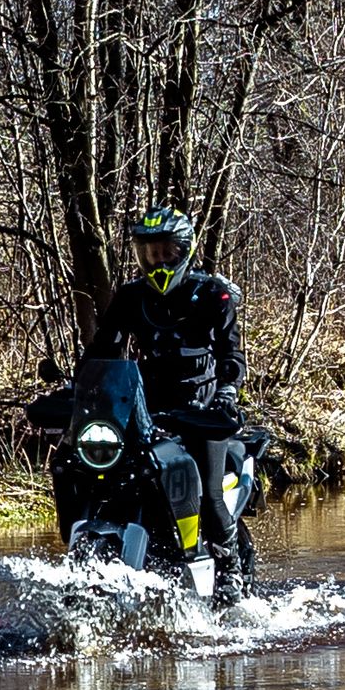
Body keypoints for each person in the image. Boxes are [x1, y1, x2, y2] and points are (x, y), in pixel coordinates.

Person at [84, 205, 249, 576]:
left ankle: (231, 574)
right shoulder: (130, 298)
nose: (158, 261)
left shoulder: (212, 294)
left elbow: (231, 354)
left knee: (208, 495)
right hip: (144, 411)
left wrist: (227, 392)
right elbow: (103, 351)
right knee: (109, 477)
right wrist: (79, 387)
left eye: (166, 252)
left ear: (183, 250)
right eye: (151, 253)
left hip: (203, 413)